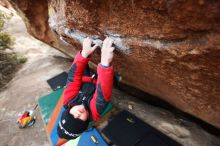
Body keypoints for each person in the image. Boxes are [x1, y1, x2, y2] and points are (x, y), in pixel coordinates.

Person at [57, 37, 115, 140]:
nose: (77, 114)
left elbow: (72, 77)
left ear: (68, 111)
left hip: (86, 79)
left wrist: (83, 54)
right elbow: (102, 94)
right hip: (97, 84)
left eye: (71, 116)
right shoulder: (95, 112)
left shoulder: (68, 101)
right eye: (79, 120)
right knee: (108, 81)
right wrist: (105, 63)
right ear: (86, 122)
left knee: (79, 69)